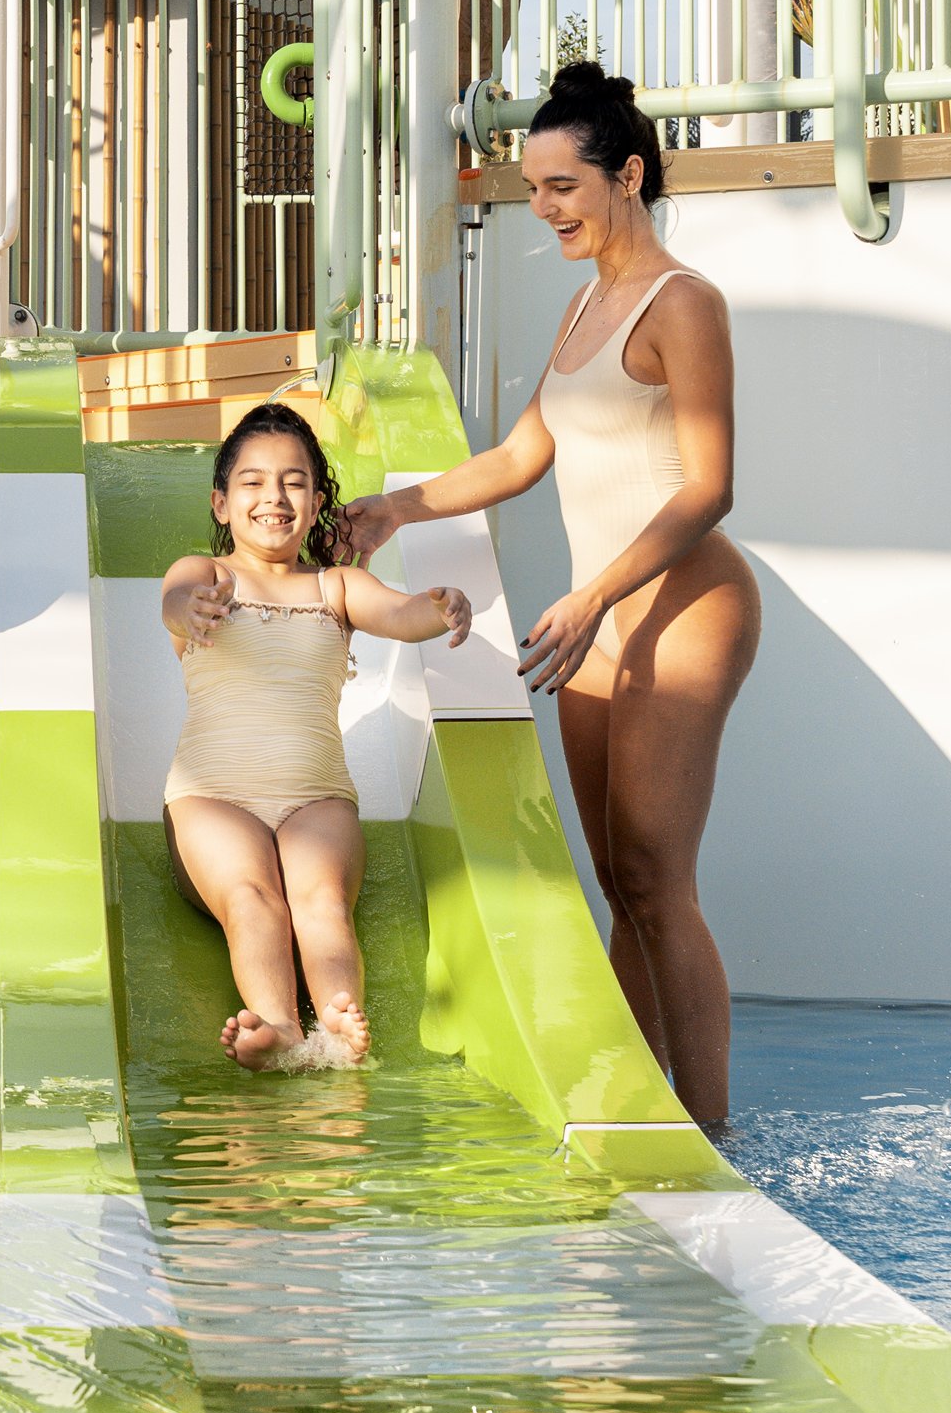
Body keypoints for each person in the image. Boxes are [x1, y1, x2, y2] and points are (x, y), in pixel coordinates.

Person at [340, 60, 760, 1127]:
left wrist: (591, 600)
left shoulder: (685, 304)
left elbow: (708, 488)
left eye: (561, 186)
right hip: (601, 615)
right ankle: (630, 1112)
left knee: (660, 875)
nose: (543, 207)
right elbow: (529, 448)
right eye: (532, 188)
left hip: (685, 605)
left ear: (625, 176)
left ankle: (712, 1131)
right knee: (619, 879)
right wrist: (400, 511)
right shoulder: (585, 305)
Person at [162, 402, 473, 1072]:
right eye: (251, 481)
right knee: (252, 894)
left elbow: (398, 612)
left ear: (317, 502)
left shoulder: (337, 584)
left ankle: (335, 1023)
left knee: (320, 895)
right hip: (212, 797)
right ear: (221, 503)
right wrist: (187, 609)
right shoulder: (206, 575)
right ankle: (275, 1024)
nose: (272, 496)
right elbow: (176, 600)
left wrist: (436, 604)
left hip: (316, 797)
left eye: (294, 481)